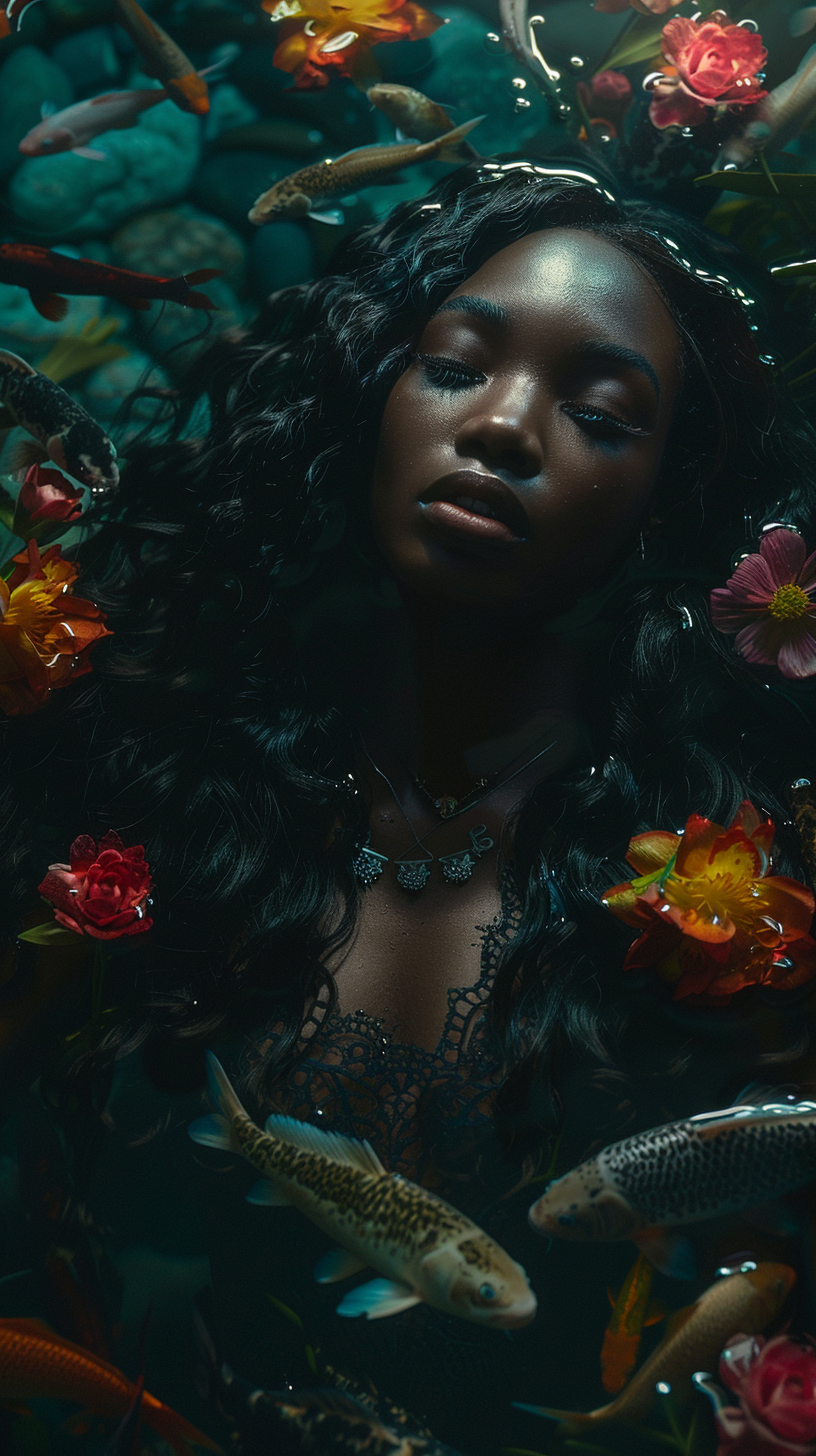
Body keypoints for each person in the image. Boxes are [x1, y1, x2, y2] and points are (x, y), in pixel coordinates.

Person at [3, 159, 816, 1454]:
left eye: (601, 413)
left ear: (673, 498)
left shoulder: (752, 892)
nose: (502, 427)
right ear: (369, 395)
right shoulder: (129, 769)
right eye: (455, 365)